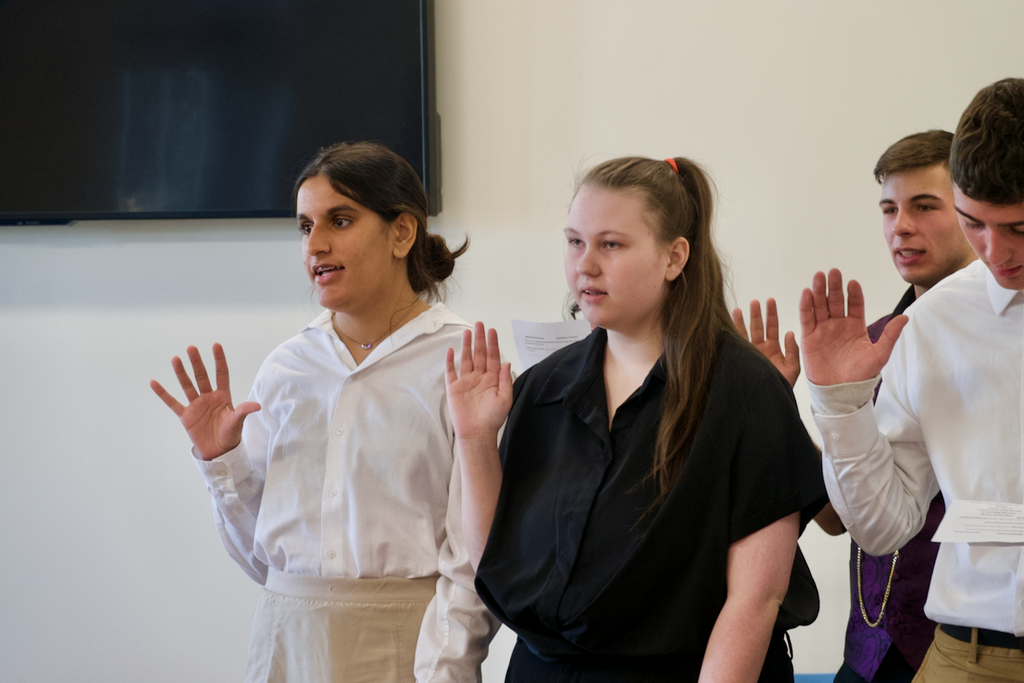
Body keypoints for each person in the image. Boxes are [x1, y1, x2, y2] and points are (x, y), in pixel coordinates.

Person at [446, 155, 827, 682]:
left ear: (674, 258)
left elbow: (756, 598)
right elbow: (498, 566)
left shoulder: (745, 389)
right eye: (575, 242)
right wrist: (474, 439)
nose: (585, 265)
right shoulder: (542, 388)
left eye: (611, 244)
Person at [150, 142, 498, 683]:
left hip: (409, 646)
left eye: (339, 220)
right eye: (305, 227)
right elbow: (262, 560)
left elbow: (473, 558)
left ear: (402, 233)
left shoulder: (461, 364)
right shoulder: (286, 368)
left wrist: (446, 670)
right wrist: (221, 461)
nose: (317, 244)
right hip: (284, 642)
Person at [800, 78, 1024, 682]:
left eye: (1019, 229)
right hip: (966, 654)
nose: (996, 253)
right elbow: (884, 527)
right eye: (976, 223)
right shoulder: (933, 320)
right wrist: (841, 405)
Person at [733, 130, 976, 683]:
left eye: (924, 206)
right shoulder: (862, 346)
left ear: (971, 210)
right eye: (889, 208)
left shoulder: (1004, 340)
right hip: (870, 647)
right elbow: (840, 519)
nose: (901, 226)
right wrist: (780, 407)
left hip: (969, 645)